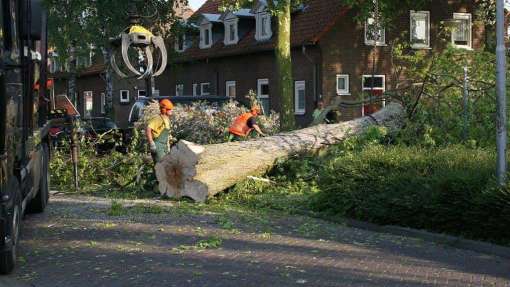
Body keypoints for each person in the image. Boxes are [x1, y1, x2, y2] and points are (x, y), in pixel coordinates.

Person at [146, 99, 174, 163]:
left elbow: (166, 132)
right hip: (158, 146)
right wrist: (151, 143)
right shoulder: (158, 119)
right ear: (165, 109)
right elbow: (148, 129)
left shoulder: (167, 119)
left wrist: (170, 138)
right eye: (170, 109)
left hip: (164, 146)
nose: (171, 111)